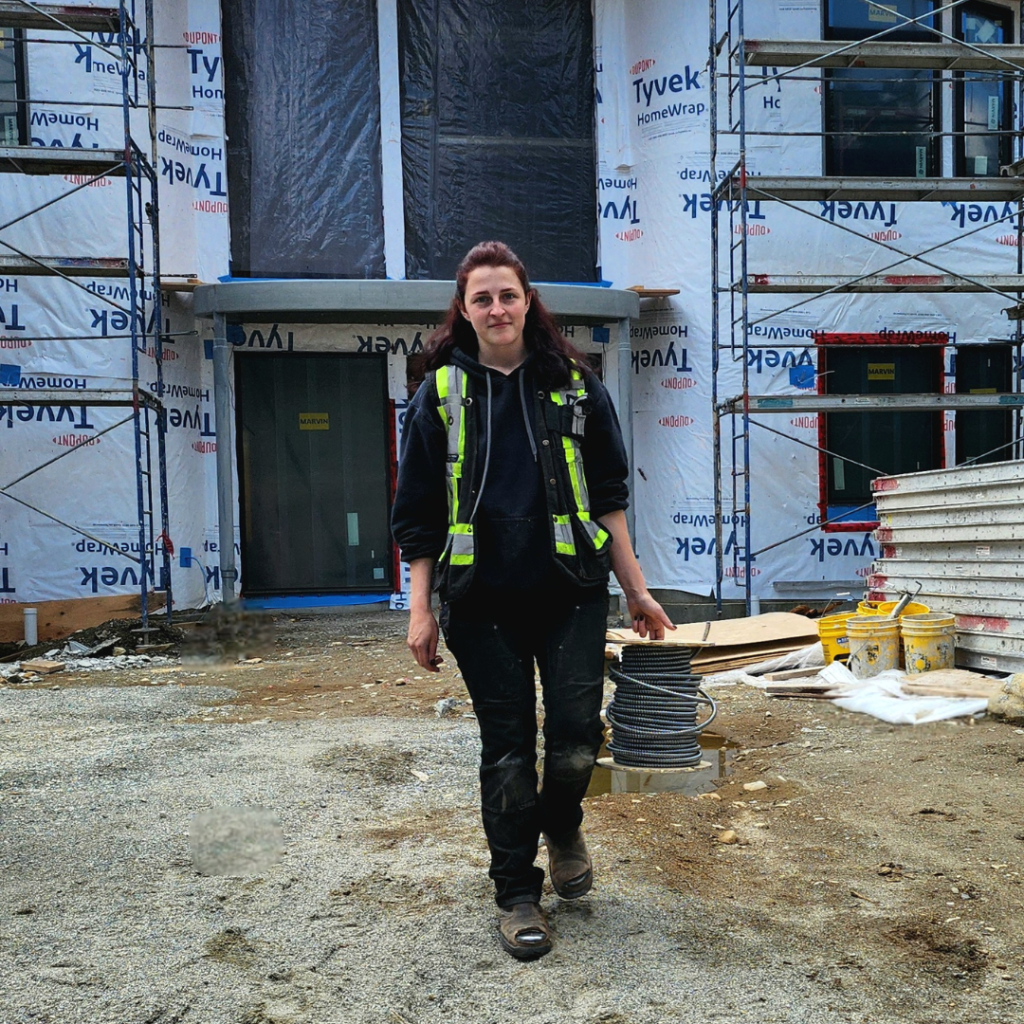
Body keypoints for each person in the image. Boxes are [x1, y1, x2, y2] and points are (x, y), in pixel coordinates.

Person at [391, 240, 673, 960]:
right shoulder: (442, 393)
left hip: (570, 591)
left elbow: (609, 497)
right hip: (478, 600)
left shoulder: (574, 386)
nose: (496, 308)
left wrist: (636, 590)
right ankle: (517, 893)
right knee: (509, 749)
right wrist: (420, 608)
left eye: (507, 295)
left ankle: (563, 823)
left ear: (528, 301)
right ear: (463, 310)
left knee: (577, 736)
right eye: (481, 298)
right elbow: (417, 512)